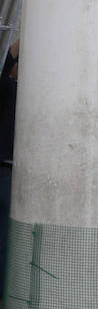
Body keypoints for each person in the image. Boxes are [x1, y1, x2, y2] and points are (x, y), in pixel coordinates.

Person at [0, 41, 18, 302]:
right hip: (7, 173)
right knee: (5, 242)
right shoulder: (10, 90)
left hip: (7, 172)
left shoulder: (9, 88)